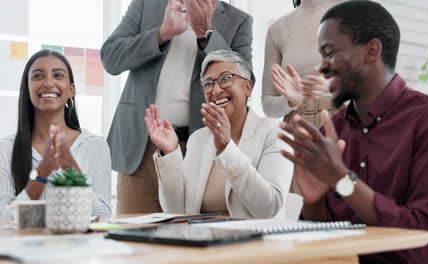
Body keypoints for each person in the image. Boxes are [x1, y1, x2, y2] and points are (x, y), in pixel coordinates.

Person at [278, 1, 428, 263]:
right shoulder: (332, 132)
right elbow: (321, 247)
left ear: (371, 50)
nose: (321, 67)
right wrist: (313, 202)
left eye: (329, 52)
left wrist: (343, 180)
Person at [101, 0, 253, 214]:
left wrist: (206, 33)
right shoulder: (147, 4)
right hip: (140, 148)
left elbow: (244, 84)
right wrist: (162, 33)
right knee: (131, 238)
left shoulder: (238, 21)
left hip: (198, 149)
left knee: (188, 236)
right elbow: (111, 58)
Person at [145, 50, 293, 218]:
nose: (215, 90)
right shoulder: (199, 139)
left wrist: (226, 148)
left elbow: (269, 208)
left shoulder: (275, 132)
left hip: (251, 242)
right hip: (201, 240)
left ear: (247, 87)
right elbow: (176, 210)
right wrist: (170, 152)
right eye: (208, 83)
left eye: (225, 79)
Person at [0, 50, 111, 218]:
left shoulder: (96, 146)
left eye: (58, 75)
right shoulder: (5, 148)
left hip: (80, 244)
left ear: (71, 90)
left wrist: (71, 170)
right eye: (38, 76)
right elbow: (3, 220)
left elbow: (103, 216)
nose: (48, 83)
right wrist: (41, 173)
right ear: (27, 90)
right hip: (26, 244)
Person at [262, 0, 341, 195]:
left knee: (346, 202)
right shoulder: (278, 28)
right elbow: (267, 103)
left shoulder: (352, 11)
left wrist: (334, 86)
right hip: (296, 128)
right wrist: (289, 101)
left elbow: (373, 83)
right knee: (301, 211)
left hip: (340, 122)